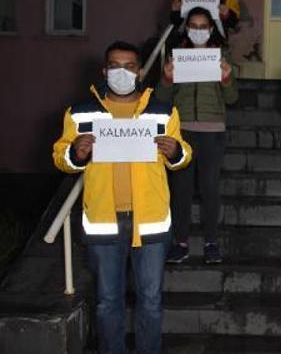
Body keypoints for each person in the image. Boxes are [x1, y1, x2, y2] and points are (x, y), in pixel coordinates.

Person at [52, 41, 192, 354]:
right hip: (104, 221)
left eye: (129, 67)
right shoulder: (78, 113)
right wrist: (76, 152)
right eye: (115, 66)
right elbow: (61, 156)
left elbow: (183, 156)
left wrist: (177, 151)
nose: (122, 72)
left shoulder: (164, 111)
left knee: (151, 300)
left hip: (151, 222)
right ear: (104, 71)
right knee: (107, 301)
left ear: (141, 71)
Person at [157, 7, 238, 264]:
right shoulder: (175, 57)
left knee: (209, 188)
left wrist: (226, 78)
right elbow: (160, 99)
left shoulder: (221, 58)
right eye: (194, 25)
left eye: (204, 26)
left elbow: (233, 98)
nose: (198, 30)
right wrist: (167, 79)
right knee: (180, 189)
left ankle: (211, 242)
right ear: (186, 28)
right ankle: (180, 242)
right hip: (181, 133)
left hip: (212, 132)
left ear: (211, 30)